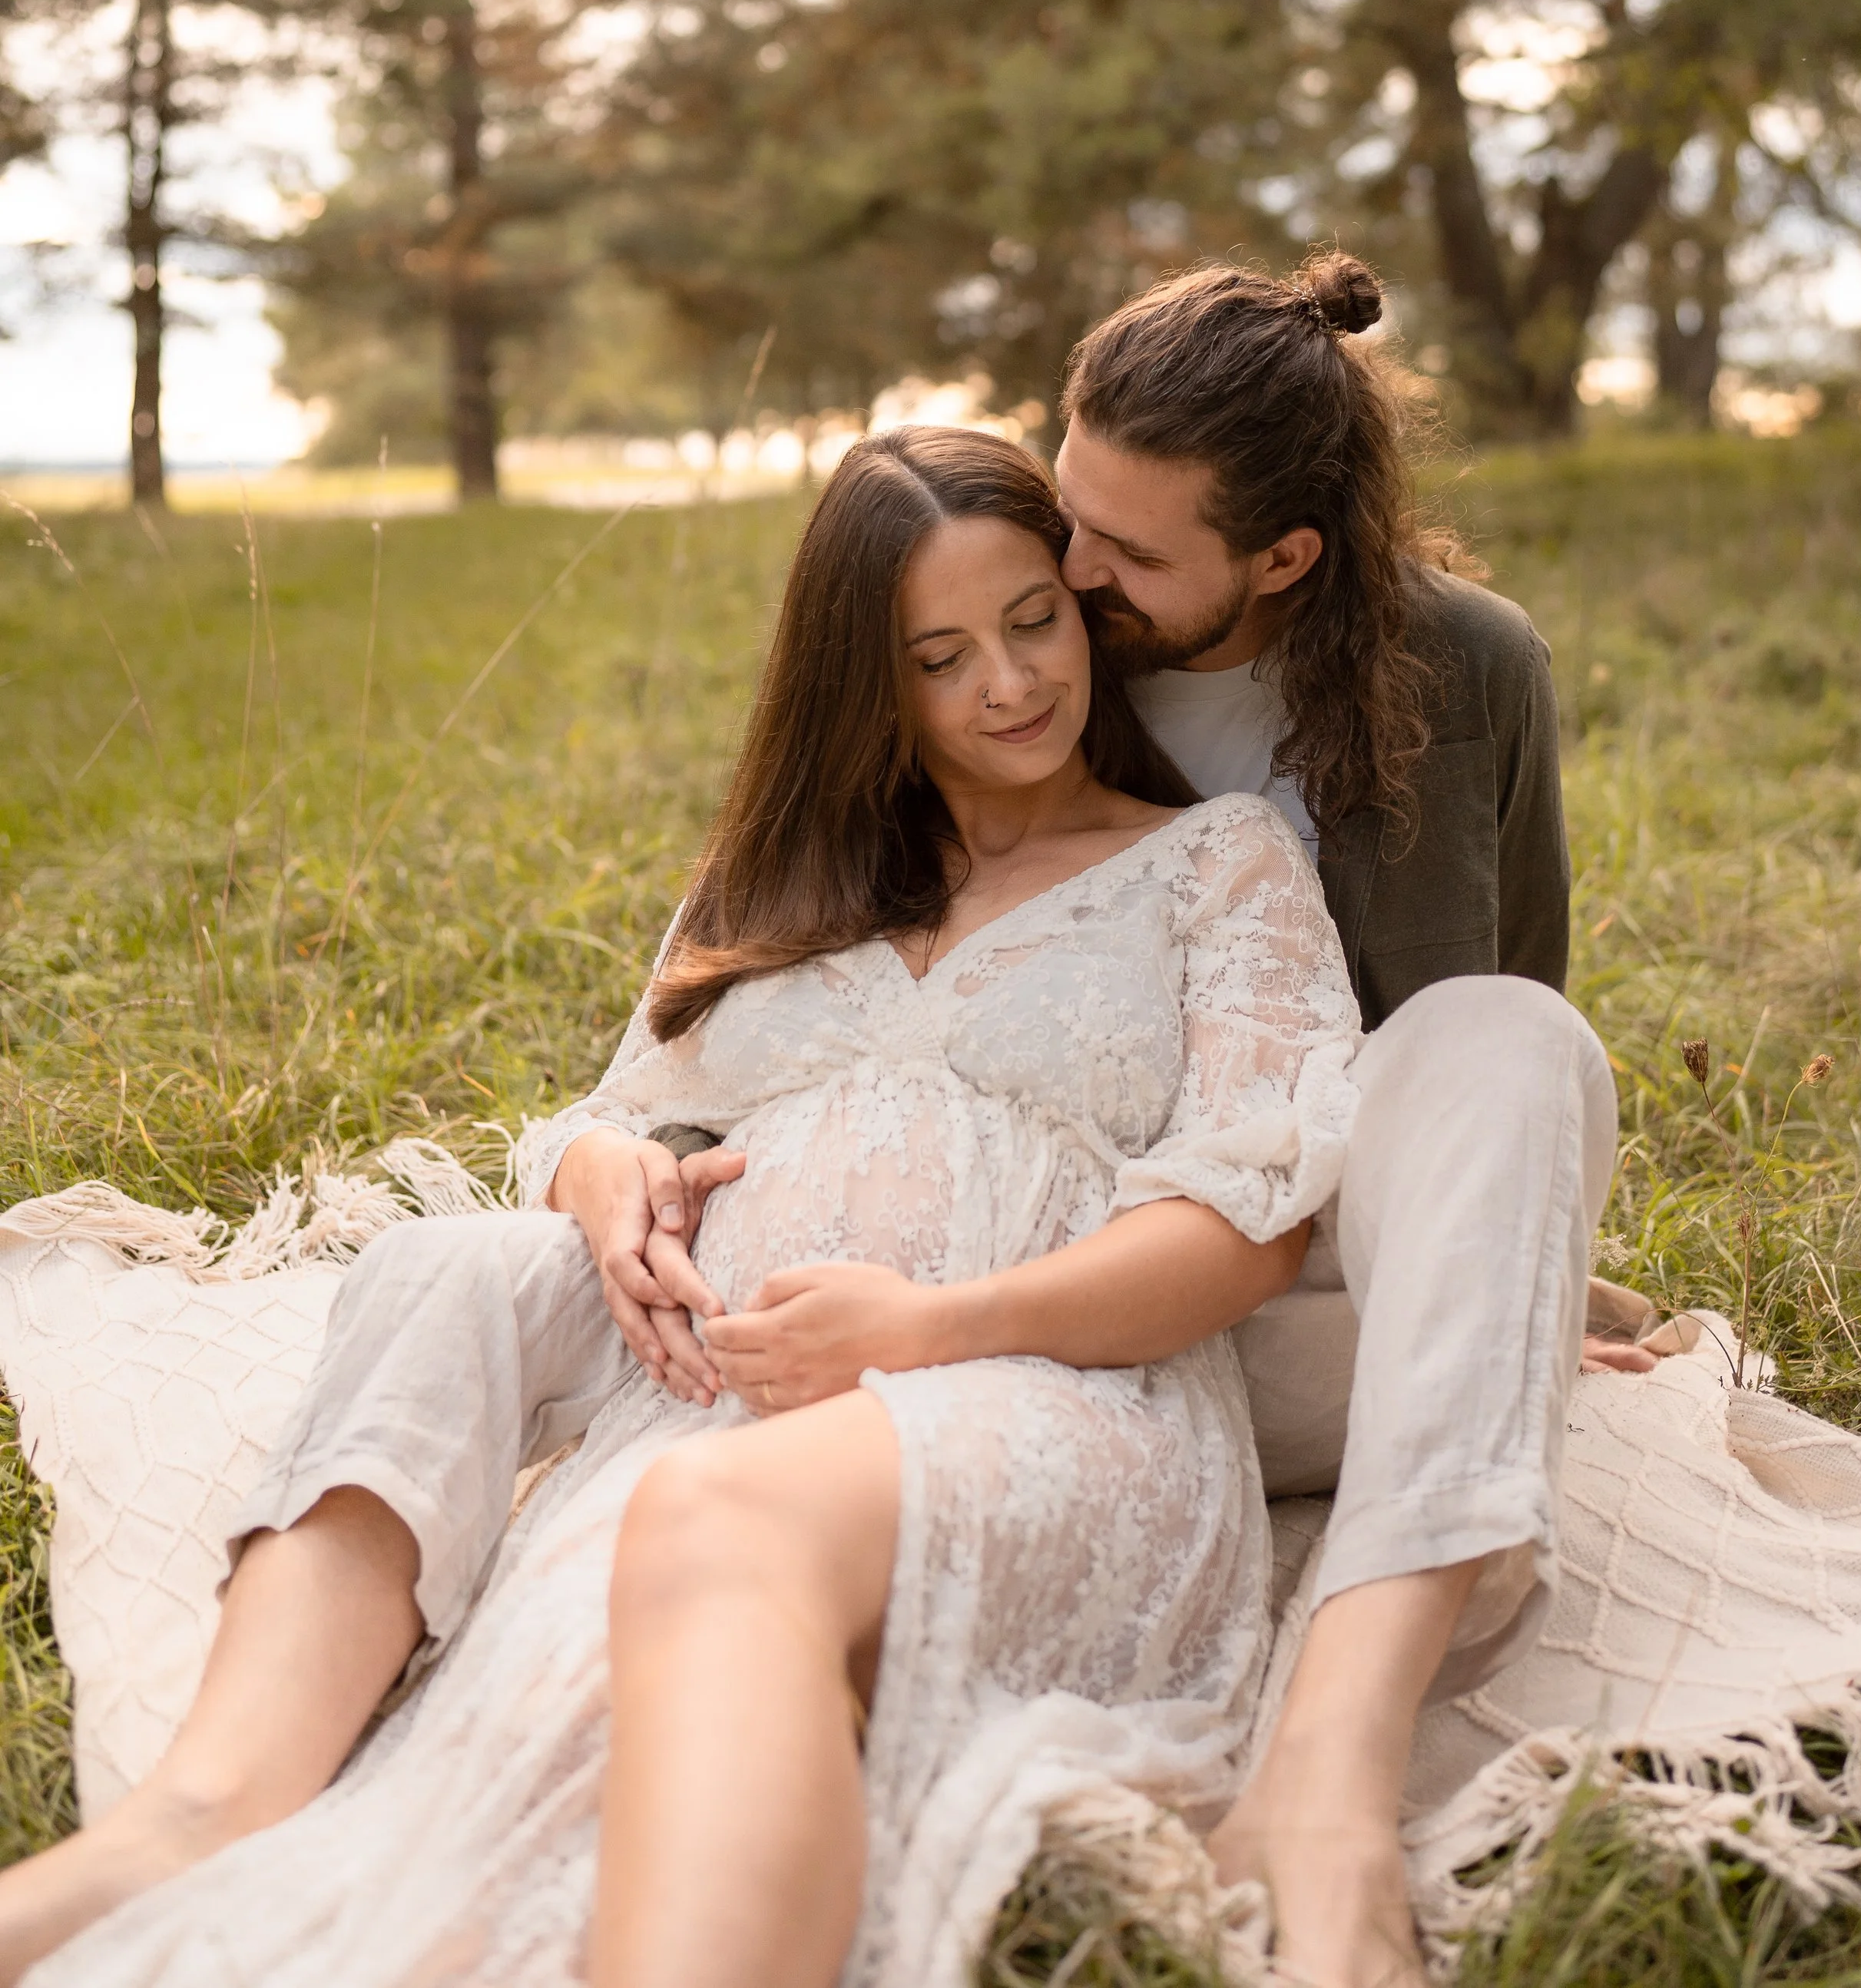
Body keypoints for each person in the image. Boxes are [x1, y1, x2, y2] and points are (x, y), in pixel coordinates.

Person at [0, 426, 1363, 1988]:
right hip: (722, 1363)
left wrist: (928, 1330)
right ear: (865, 682)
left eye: (1032, 621)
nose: (1008, 684)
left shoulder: (1211, 863)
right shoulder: (774, 873)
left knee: (709, 1521)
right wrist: (605, 1177)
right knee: (445, 1270)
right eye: (939, 655)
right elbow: (606, 1116)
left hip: (1045, 1384)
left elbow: (1248, 1223)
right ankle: (205, 1803)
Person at [1050, 250, 1637, 1988]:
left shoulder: (1467, 672)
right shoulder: (1001, 640)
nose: (1070, 572)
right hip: (1078, 1300)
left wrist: (1501, 1240)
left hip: (1317, 1291)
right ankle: (1478, 1379)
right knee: (1471, 1364)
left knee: (1512, 1035)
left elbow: (1483, 1010)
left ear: (1283, 556)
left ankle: (1325, 1765)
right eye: (1068, 505)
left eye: (1129, 553)